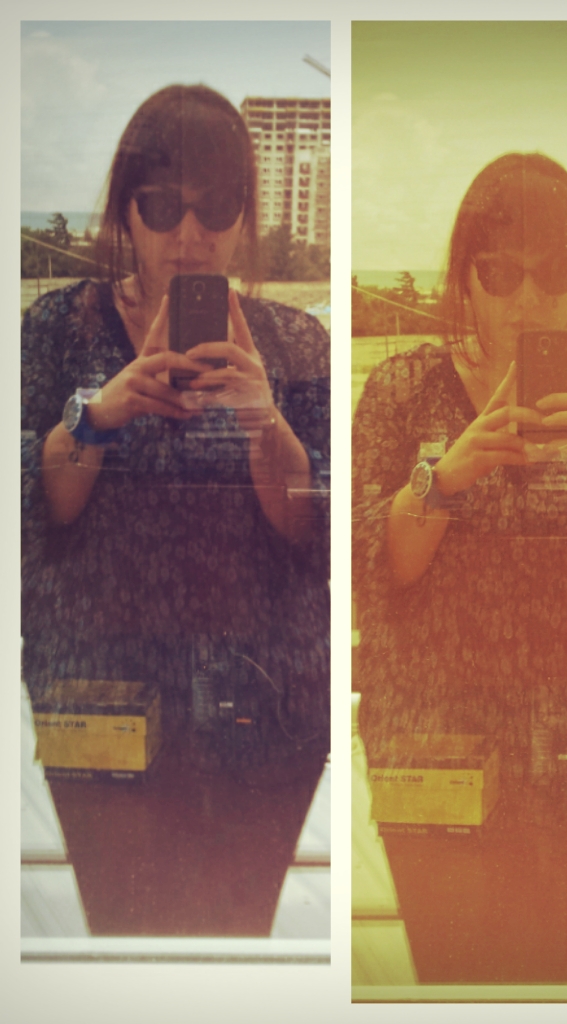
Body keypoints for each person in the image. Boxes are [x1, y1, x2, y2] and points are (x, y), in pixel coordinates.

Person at [352, 152, 567, 982]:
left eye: (554, 271)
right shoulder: (403, 391)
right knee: (454, 978)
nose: (528, 297)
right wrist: (446, 475)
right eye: (501, 273)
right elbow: (371, 571)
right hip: (435, 757)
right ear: (465, 279)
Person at [21, 83, 330, 892]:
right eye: (161, 206)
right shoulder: (58, 330)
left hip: (266, 718)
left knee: (242, 933)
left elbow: (315, 533)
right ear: (126, 213)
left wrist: (266, 424)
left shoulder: (297, 343)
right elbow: (36, 513)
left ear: (244, 215)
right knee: (118, 929)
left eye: (216, 205)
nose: (190, 235)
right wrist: (99, 415)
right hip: (99, 708)